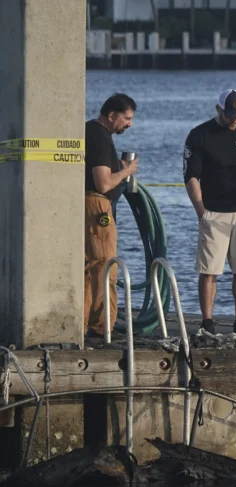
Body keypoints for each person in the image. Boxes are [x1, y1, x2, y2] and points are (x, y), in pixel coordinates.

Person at [183, 89, 236, 336]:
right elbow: (191, 176)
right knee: (209, 270)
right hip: (213, 212)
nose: (235, 119)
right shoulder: (200, 135)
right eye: (231, 114)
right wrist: (202, 212)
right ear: (218, 109)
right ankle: (207, 322)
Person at [84, 93, 138, 338]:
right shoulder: (100, 137)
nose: (129, 124)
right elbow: (103, 183)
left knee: (88, 266)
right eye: (126, 118)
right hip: (97, 206)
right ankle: (103, 326)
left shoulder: (90, 131)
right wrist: (126, 171)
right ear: (111, 115)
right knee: (106, 265)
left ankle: (84, 322)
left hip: (86, 205)